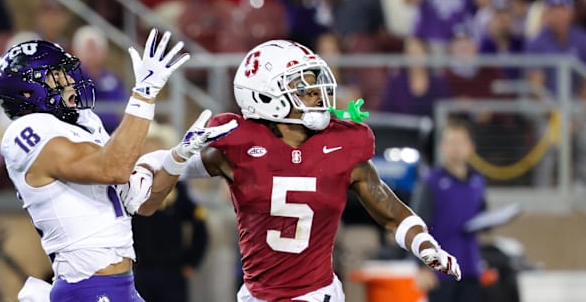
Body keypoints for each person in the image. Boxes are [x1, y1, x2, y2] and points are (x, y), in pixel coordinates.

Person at [172, 39, 461, 301]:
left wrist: (425, 244)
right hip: (256, 294)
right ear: (264, 97)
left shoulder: (340, 146)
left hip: (315, 293)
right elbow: (168, 173)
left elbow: (391, 213)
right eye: (304, 88)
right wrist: (174, 157)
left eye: (316, 84)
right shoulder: (239, 147)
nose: (318, 95)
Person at [0, 29, 236, 301]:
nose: (71, 80)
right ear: (27, 91)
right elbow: (113, 168)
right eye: (57, 76)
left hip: (121, 285)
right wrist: (143, 95)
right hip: (88, 287)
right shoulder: (27, 131)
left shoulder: (84, 123)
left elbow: (144, 204)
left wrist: (176, 158)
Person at [411, 118, 486, 302]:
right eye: (451, 142)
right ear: (442, 146)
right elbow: (416, 226)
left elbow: (483, 217)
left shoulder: (477, 182)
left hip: (470, 270)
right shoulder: (431, 181)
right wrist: (420, 267)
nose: (456, 148)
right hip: (440, 273)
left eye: (460, 142)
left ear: (471, 146)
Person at [132, 122, 209, 302]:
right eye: (146, 144)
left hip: (172, 270)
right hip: (140, 269)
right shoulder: (129, 187)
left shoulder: (179, 188)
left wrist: (191, 262)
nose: (149, 149)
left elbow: (199, 226)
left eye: (154, 144)